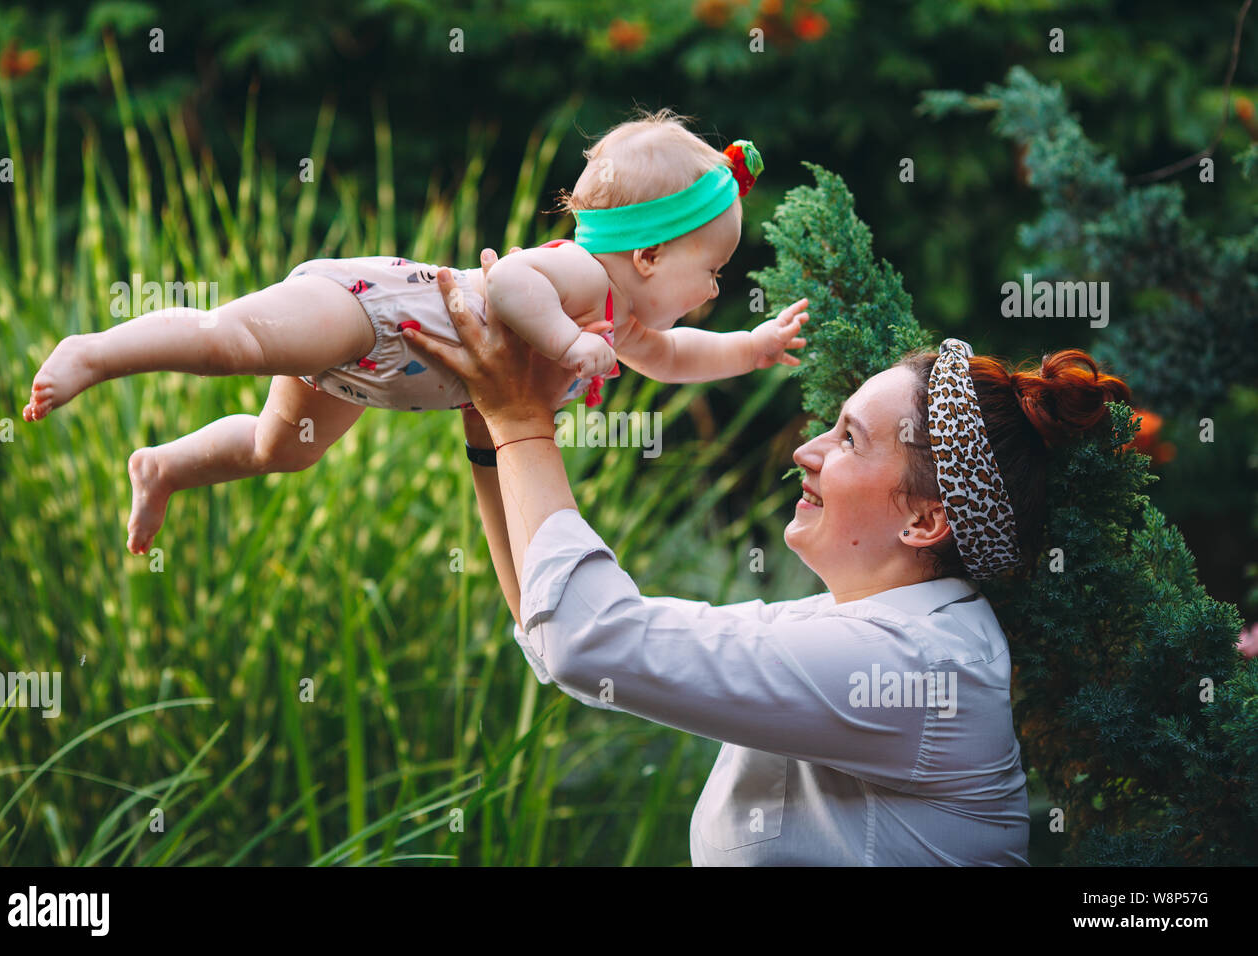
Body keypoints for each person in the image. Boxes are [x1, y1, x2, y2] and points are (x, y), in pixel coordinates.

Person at [407, 248, 1133, 865]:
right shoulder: (864, 629)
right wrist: (490, 430)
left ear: (925, 520)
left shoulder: (914, 666)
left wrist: (520, 420)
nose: (805, 452)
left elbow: (587, 640)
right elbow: (554, 628)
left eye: (848, 440)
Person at [19, 110, 808, 554]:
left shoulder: (624, 323)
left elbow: (675, 359)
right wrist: (568, 347)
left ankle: (162, 469)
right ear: (646, 253)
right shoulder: (583, 280)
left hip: (378, 377)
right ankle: (95, 351)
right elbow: (507, 279)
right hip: (374, 308)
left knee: (280, 451)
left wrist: (753, 347)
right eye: (711, 270)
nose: (715, 290)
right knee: (234, 342)